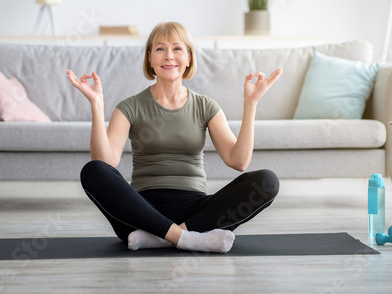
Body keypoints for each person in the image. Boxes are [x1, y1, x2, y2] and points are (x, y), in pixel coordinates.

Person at [67, 22, 282, 254]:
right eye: (160, 49)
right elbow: (105, 162)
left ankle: (163, 237)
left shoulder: (205, 106)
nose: (169, 56)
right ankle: (188, 238)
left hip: (196, 212)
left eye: (177, 49)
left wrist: (251, 104)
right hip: (141, 211)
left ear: (189, 57)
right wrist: (96, 105)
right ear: (149, 58)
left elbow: (238, 161)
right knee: (93, 171)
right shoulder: (130, 107)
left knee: (267, 181)